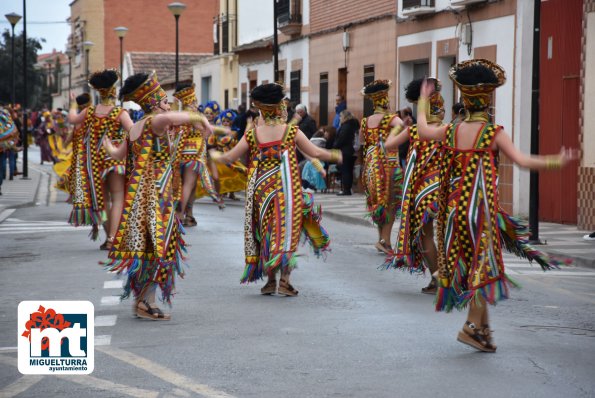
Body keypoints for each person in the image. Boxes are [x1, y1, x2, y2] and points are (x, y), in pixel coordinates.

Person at [415, 59, 576, 352]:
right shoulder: (493, 133)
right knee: (483, 268)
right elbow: (523, 161)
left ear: (464, 99)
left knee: (472, 266)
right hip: (480, 212)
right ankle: (471, 327)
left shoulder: (452, 130)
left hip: (453, 213)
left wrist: (424, 100)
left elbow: (424, 130)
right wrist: (556, 160)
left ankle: (483, 331)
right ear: (488, 101)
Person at [210, 83, 341, 296]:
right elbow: (315, 152)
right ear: (279, 107)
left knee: (266, 233)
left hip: (260, 189)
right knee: (286, 230)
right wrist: (338, 156)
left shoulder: (252, 135)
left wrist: (214, 156)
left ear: (261, 109)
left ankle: (270, 280)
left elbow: (230, 157)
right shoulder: (291, 132)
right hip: (285, 190)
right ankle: (285, 281)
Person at [103, 71, 212, 320]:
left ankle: (143, 300)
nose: (168, 103)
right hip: (156, 198)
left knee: (149, 249)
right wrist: (198, 117)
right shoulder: (155, 121)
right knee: (158, 250)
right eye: (164, 100)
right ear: (153, 102)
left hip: (144, 196)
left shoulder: (136, 126)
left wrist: (108, 144)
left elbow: (118, 154)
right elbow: (175, 116)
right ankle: (145, 302)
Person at [383, 78, 445, 295]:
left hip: (423, 190)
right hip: (449, 187)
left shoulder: (416, 131)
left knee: (426, 235)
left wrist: (402, 127)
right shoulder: (449, 130)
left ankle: (438, 276)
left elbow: (388, 145)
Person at [67, 69, 134, 247]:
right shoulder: (120, 113)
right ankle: (114, 237)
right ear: (113, 90)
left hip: (95, 162)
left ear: (98, 91)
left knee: (102, 202)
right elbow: (134, 133)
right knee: (118, 197)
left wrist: (73, 103)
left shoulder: (89, 112)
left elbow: (72, 119)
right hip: (115, 159)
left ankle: (108, 238)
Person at [360, 80, 404, 254]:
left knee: (377, 203)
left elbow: (362, 143)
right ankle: (385, 241)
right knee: (390, 203)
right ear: (385, 100)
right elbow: (401, 127)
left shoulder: (365, 121)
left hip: (370, 164)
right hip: (387, 163)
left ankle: (381, 239)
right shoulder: (391, 118)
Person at [173, 83, 223, 227]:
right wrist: (201, 137)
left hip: (179, 153)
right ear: (192, 100)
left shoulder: (177, 114)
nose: (196, 102)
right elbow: (208, 131)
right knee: (189, 184)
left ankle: (189, 215)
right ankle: (180, 216)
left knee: (187, 184)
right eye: (194, 100)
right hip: (193, 154)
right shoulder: (195, 115)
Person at [333, 110, 358, 196]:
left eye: (340, 116)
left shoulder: (346, 126)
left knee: (345, 170)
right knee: (349, 170)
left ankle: (346, 190)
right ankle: (347, 189)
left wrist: (335, 146)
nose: (339, 118)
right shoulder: (352, 125)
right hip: (350, 151)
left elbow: (341, 139)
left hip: (345, 151)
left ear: (345, 117)